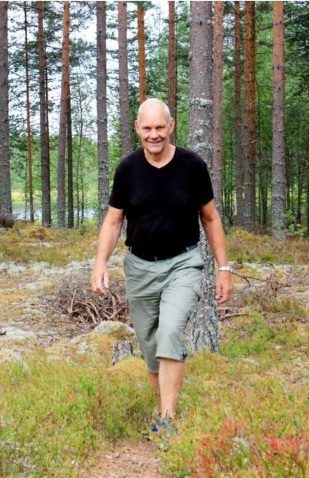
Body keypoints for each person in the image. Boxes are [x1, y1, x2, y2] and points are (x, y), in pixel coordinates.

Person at [90, 98, 232, 433]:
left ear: (171, 127)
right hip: (140, 268)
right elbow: (113, 222)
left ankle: (167, 419)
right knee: (150, 344)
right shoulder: (128, 169)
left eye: (160, 128)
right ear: (138, 129)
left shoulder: (191, 166)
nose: (154, 135)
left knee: (170, 331)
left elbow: (210, 219)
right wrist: (100, 264)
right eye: (147, 128)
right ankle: (161, 408)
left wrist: (224, 269)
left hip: (183, 264)